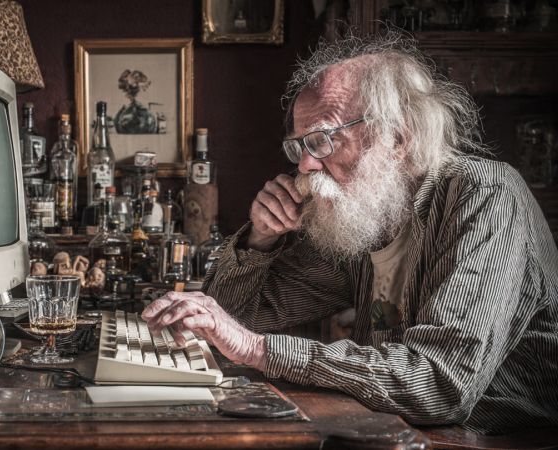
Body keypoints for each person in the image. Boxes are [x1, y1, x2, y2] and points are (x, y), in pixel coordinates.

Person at [142, 33, 558, 434]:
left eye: (321, 140)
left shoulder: (485, 194)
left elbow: (439, 384)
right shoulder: (364, 217)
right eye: (299, 146)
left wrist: (258, 349)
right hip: (388, 427)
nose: (305, 165)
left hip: (490, 440)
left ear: (397, 135)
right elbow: (232, 321)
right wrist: (261, 239)